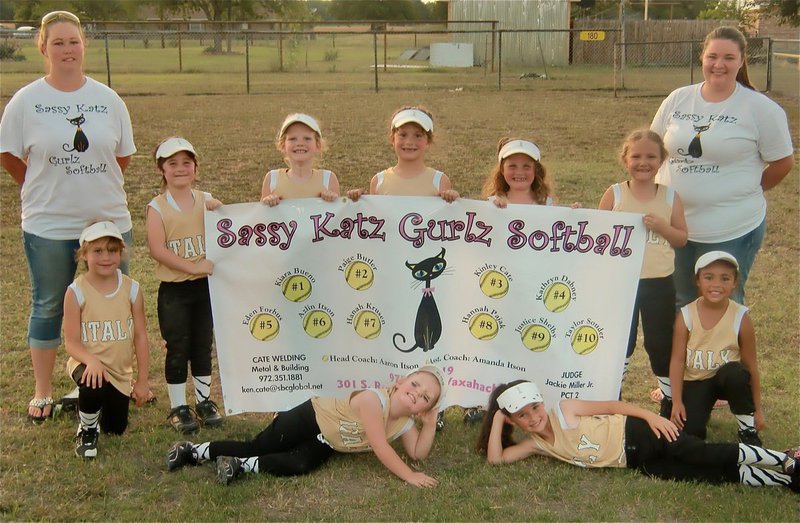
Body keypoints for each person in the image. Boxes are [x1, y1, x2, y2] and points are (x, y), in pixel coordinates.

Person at [0, 10, 136, 424]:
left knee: (111, 308)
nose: (67, 50)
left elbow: (122, 156)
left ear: (84, 46)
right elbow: (7, 153)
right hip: (49, 224)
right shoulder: (27, 101)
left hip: (107, 225)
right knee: (48, 306)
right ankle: (43, 391)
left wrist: (91, 196)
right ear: (43, 47)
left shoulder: (107, 99)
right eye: (57, 42)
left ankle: (111, 384)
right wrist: (39, 185)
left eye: (73, 42)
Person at [650, 26, 794, 309]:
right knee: (682, 302)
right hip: (675, 227)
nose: (719, 64)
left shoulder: (760, 108)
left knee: (720, 305)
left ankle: (724, 356)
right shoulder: (678, 99)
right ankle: (688, 355)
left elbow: (783, 162)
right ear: (701, 58)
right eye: (712, 56)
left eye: (729, 57)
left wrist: (748, 188)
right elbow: (653, 150)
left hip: (730, 229)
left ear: (742, 61)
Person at [477, 380, 799, 492]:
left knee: (704, 453)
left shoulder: (564, 408)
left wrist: (650, 417)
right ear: (514, 422)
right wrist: (498, 419)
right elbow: (496, 460)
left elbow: (614, 404)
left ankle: (787, 459)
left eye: (534, 408)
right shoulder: (535, 444)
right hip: (635, 461)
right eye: (522, 416)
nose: (533, 417)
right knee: (703, 475)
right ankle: (786, 481)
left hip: (640, 432)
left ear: (541, 402)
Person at [166, 366, 445, 487]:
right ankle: (194, 451)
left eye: (425, 398)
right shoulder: (375, 400)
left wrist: (430, 424)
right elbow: (381, 446)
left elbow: (418, 453)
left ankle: (239, 465)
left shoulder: (405, 423)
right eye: (415, 384)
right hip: (311, 416)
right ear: (400, 382)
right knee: (261, 445)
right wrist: (409, 476)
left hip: (330, 440)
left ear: (424, 409)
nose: (416, 394)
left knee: (300, 465)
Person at [598, 129, 687, 415]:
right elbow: (596, 236)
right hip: (621, 283)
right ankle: (612, 395)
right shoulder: (615, 194)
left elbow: (681, 238)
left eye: (651, 156)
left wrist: (663, 227)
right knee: (620, 341)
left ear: (662, 160)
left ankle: (669, 399)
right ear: (625, 159)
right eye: (636, 156)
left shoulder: (670, 197)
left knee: (659, 342)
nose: (643, 162)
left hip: (659, 283)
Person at [146, 137, 224, 434]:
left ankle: (204, 401)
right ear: (162, 170)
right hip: (175, 290)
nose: (180, 169)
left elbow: (227, 228)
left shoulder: (206, 199)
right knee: (178, 348)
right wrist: (192, 266)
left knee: (203, 346)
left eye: (186, 163)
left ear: (195, 167)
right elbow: (157, 248)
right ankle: (179, 406)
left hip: (204, 289)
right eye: (172, 163)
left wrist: (220, 209)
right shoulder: (157, 207)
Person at [63, 221, 150, 458]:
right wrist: (91, 360)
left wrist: (142, 381)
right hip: (88, 365)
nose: (105, 257)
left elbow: (141, 336)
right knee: (93, 382)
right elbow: (71, 342)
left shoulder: (132, 289)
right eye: (97, 251)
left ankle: (82, 404)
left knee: (115, 428)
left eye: (112, 251)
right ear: (84, 254)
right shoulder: (76, 291)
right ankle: (87, 428)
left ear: (121, 253)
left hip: (120, 374)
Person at [668, 251, 763, 446]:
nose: (716, 285)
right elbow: (677, 360)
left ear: (735, 282)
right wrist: (676, 401)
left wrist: (758, 410)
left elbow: (750, 366)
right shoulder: (686, 316)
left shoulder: (741, 318)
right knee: (689, 434)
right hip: (696, 381)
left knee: (735, 372)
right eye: (709, 277)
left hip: (726, 379)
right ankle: (699, 413)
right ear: (698, 280)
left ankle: (747, 430)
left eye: (725, 278)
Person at [348, 106, 459, 203]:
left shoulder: (439, 181)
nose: (409, 142)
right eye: (403, 135)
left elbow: (447, 219)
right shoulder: (379, 181)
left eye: (418, 135)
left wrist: (454, 200)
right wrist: (357, 201)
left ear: (428, 141)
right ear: (392, 138)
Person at [260, 113, 340, 206]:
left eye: (307, 138)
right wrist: (268, 203)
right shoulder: (272, 179)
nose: (300, 143)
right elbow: (260, 217)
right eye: (292, 139)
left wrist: (336, 200)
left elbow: (341, 215)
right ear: (283, 145)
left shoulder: (328, 179)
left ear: (318, 145)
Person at [482, 138, 555, 207]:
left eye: (526, 166)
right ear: (502, 170)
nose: (519, 172)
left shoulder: (546, 204)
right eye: (512, 166)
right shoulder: (494, 203)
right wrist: (494, 210)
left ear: (536, 170)